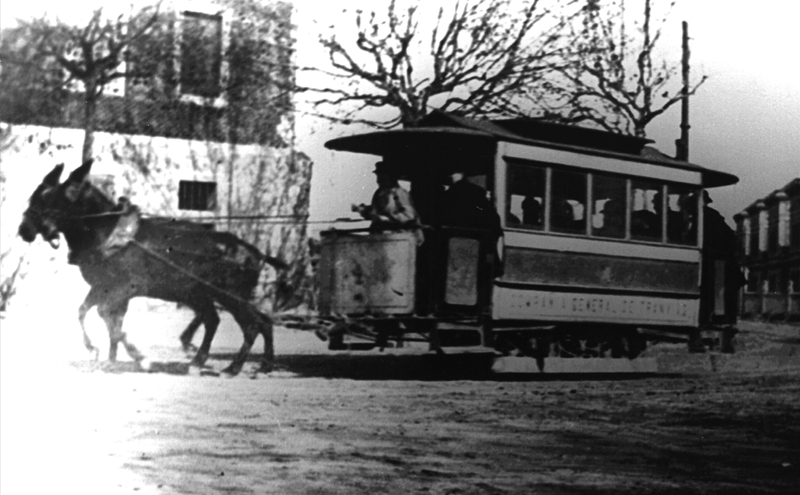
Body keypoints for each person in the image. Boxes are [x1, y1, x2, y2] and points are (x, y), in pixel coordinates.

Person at [440, 171, 503, 276]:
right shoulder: (477, 192)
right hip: (478, 243)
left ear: (453, 175)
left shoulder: (448, 195)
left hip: (454, 243)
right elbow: (487, 213)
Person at [352, 161, 422, 240]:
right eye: (378, 177)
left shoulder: (400, 193)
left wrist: (388, 220)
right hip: (382, 237)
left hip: (401, 238)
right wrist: (363, 210)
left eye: (381, 177)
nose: (378, 180)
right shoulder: (379, 193)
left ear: (390, 177)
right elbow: (376, 211)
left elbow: (408, 216)